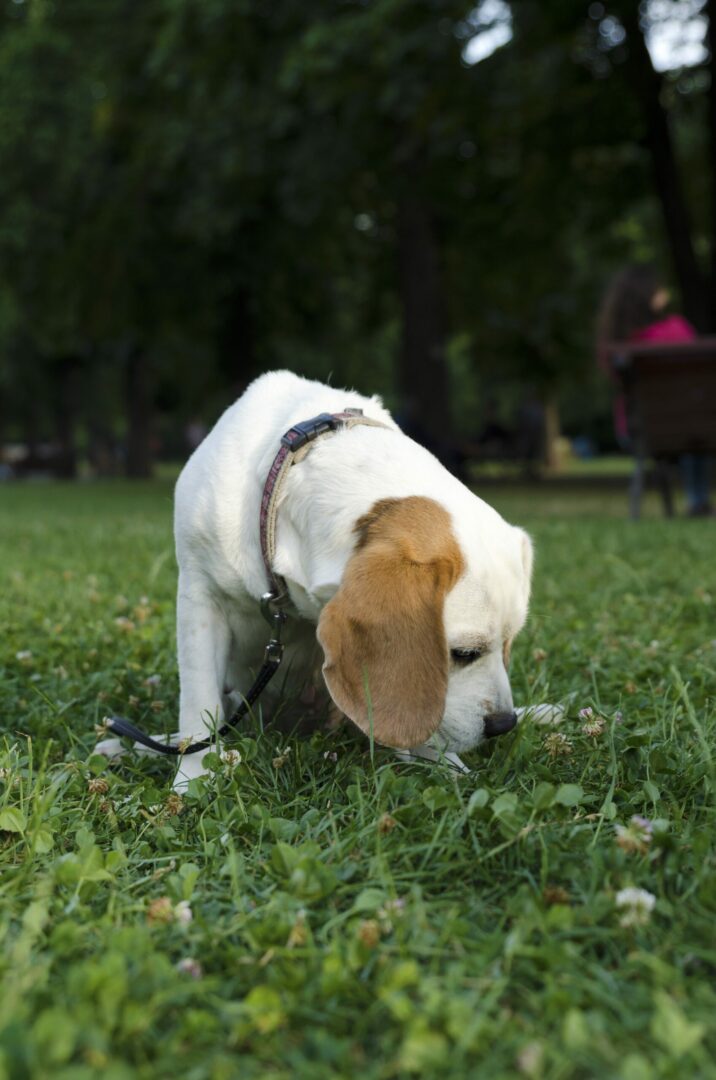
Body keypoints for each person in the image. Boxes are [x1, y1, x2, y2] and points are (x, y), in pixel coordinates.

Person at [597, 264, 712, 517]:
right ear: (650, 295)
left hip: (641, 430)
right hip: (698, 426)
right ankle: (698, 500)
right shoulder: (676, 329)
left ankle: (695, 501)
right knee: (698, 427)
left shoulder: (619, 345)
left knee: (686, 427)